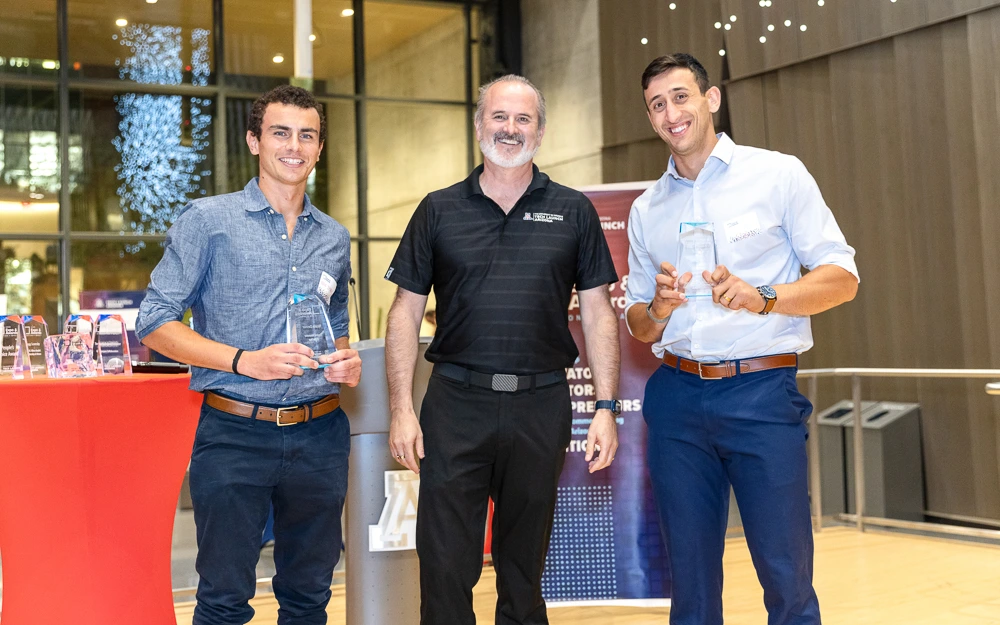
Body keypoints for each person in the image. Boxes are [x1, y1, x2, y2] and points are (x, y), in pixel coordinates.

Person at [624, 53, 859, 625]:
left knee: (785, 577)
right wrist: (656, 307)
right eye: (658, 104)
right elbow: (636, 323)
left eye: (681, 96)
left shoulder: (778, 174)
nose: (670, 112)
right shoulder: (646, 208)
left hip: (760, 394)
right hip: (677, 400)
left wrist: (765, 296)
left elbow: (843, 278)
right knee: (692, 585)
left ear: (711, 99)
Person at [384, 74, 622, 625]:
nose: (510, 129)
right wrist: (400, 407)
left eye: (523, 119)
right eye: (499, 117)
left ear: (540, 130)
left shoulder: (574, 211)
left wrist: (605, 408)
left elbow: (598, 312)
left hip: (541, 405)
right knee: (444, 563)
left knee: (524, 566)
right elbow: (405, 311)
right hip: (454, 404)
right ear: (478, 126)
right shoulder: (438, 209)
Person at [136, 85, 361, 625]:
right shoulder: (209, 220)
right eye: (280, 132)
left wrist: (345, 360)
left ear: (320, 148)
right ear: (254, 141)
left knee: (310, 598)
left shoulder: (333, 236)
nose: (294, 145)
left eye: (307, 135)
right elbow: (154, 322)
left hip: (320, 434)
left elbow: (335, 326)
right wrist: (245, 361)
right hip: (235, 433)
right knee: (223, 600)